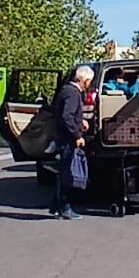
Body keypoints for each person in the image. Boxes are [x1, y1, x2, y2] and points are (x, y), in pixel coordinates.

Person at [48, 65, 92, 219]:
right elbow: (67, 116)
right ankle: (64, 208)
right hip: (67, 138)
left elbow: (67, 115)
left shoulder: (65, 90)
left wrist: (81, 122)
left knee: (63, 172)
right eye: (89, 82)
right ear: (85, 81)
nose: (89, 85)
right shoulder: (73, 93)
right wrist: (77, 135)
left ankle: (56, 206)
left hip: (62, 136)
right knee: (67, 173)